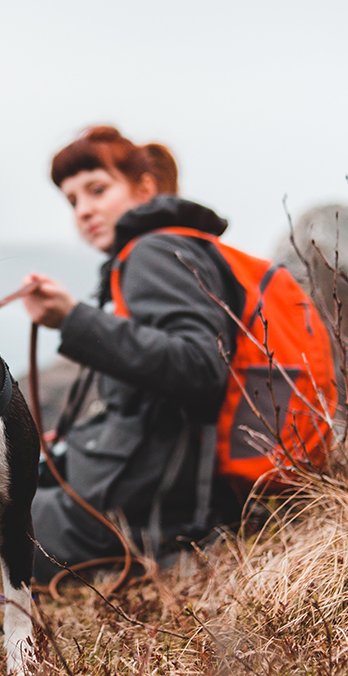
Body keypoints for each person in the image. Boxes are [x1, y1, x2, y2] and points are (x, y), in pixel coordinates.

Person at [22, 126, 244, 582]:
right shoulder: (175, 249)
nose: (84, 210)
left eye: (97, 190)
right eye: (72, 201)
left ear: (144, 189)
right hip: (131, 501)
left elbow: (201, 366)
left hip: (123, 518)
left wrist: (73, 319)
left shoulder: (152, 251)